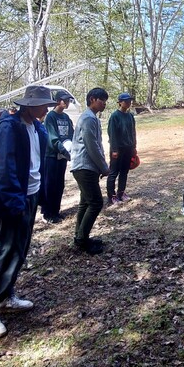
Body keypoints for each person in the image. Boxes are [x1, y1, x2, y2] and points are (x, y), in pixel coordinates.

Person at [0, 85, 55, 338]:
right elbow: (3, 169)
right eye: (43, 105)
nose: (46, 109)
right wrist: (14, 203)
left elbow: (37, 162)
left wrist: (39, 197)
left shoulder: (36, 126)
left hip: (29, 196)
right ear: (29, 105)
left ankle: (6, 296)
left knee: (19, 251)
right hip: (11, 200)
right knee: (8, 253)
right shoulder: (10, 127)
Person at [70, 88, 110, 255]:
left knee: (85, 202)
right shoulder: (88, 118)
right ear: (92, 99)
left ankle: (80, 236)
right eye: (102, 100)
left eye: (105, 101)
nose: (104, 103)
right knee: (95, 203)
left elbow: (96, 144)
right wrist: (104, 167)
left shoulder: (92, 118)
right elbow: (91, 145)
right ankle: (82, 239)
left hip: (86, 167)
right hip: (84, 166)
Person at [41, 91, 75, 223]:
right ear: (57, 101)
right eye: (64, 100)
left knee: (59, 184)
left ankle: (56, 211)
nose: (66, 103)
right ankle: (47, 213)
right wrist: (63, 150)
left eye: (68, 100)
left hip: (63, 156)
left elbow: (71, 134)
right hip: (51, 156)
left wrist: (71, 149)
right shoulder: (50, 117)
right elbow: (52, 138)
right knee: (50, 184)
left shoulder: (66, 117)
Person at [107, 92, 137, 204]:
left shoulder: (130, 116)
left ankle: (121, 192)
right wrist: (114, 149)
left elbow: (133, 132)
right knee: (113, 172)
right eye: (126, 101)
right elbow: (112, 134)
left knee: (124, 171)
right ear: (120, 102)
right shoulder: (115, 116)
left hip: (128, 148)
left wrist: (134, 147)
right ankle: (111, 195)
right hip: (118, 149)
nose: (128, 103)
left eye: (129, 101)